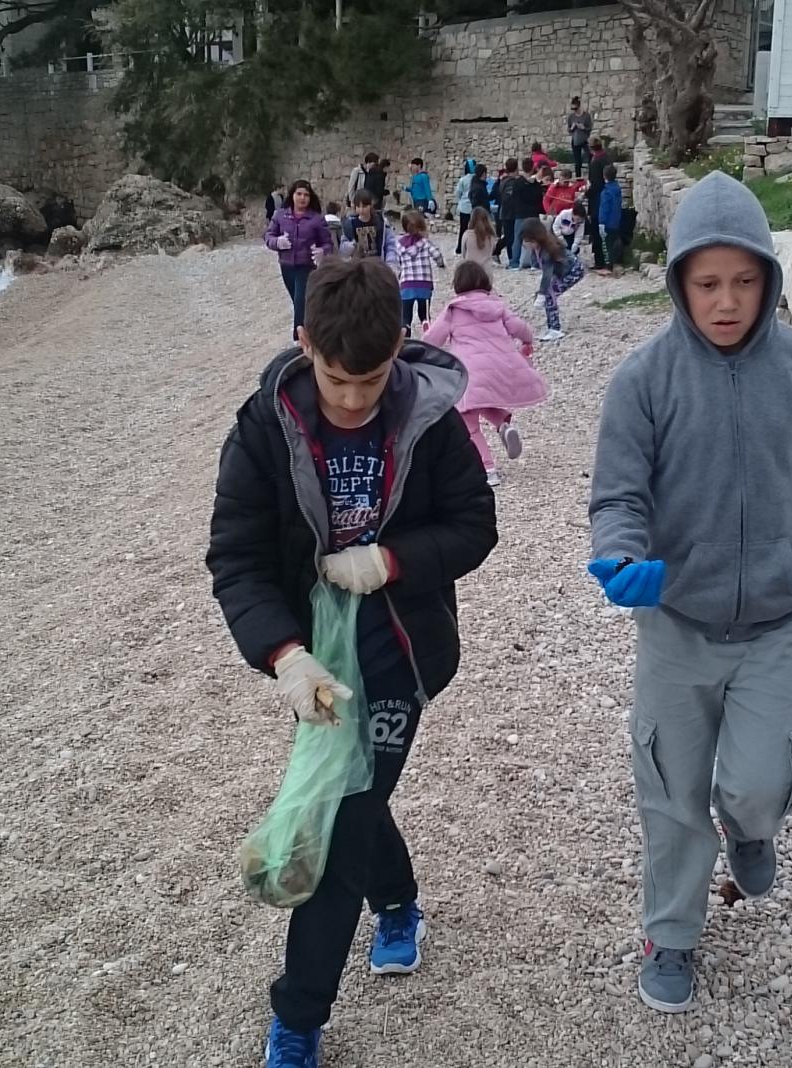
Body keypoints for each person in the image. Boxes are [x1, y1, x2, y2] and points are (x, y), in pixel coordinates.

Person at [207, 256, 499, 1068]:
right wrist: (284, 655)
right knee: (355, 789)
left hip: (401, 644)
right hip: (314, 647)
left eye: (370, 381)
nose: (353, 399)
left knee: (340, 817)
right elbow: (236, 557)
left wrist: (390, 561)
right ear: (304, 344)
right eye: (337, 380)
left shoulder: (429, 418)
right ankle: (398, 901)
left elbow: (475, 525)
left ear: (399, 348)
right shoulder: (264, 427)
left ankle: (298, 1019)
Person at [588, 172, 792, 1016]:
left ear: (770, 278)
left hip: (776, 625)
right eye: (707, 283)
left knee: (752, 786)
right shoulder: (644, 379)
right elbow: (617, 497)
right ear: (678, 283)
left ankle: (751, 824)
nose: (727, 301)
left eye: (745, 280)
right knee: (671, 793)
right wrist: (619, 554)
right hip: (676, 625)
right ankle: (671, 933)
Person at [423, 261, 548, 486]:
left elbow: (433, 340)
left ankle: (488, 468)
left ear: (458, 284)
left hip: (470, 372)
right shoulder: (497, 306)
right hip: (500, 366)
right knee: (484, 399)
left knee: (468, 421)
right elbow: (520, 328)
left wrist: (423, 344)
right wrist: (527, 340)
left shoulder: (454, 309)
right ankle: (503, 425)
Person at [265, 180, 336, 341]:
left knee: (300, 302)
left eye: (306, 195)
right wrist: (277, 242)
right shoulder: (280, 215)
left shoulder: (317, 219)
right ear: (292, 195)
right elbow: (268, 236)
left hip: (307, 267)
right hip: (286, 266)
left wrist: (322, 252)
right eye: (299, 194)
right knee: (300, 304)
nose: (302, 198)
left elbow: (328, 244)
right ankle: (315, 331)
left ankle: (299, 340)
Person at [520, 218, 584, 343]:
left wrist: (542, 293)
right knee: (549, 293)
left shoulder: (546, 250)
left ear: (536, 238)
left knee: (549, 295)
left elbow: (547, 274)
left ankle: (555, 329)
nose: (526, 244)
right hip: (565, 271)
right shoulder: (540, 247)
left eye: (529, 241)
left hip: (574, 270)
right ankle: (553, 327)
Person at [395, 210, 446, 336]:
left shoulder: (399, 244)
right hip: (424, 285)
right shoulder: (425, 242)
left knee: (406, 315)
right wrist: (441, 264)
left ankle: (406, 333)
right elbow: (437, 255)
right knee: (424, 312)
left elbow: (397, 262)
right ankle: (425, 325)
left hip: (407, 285)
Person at [342, 191, 397, 267]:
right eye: (358, 206)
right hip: (359, 266)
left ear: (371, 205)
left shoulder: (381, 222)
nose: (361, 210)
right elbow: (343, 249)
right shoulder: (350, 224)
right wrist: (350, 246)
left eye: (364, 206)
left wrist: (391, 263)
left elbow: (390, 244)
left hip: (378, 264)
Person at [512, 158, 548, 271]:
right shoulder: (536, 184)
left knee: (517, 238)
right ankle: (535, 263)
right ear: (533, 168)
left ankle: (514, 262)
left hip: (520, 213)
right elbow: (539, 199)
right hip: (533, 214)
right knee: (535, 239)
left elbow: (514, 198)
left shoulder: (517, 183)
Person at [585, 136, 610, 269]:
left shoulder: (595, 162)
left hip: (597, 201)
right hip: (606, 198)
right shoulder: (606, 158)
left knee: (596, 230)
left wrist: (585, 193)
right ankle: (608, 259)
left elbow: (595, 185)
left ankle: (599, 261)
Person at [595, 163, 625, 273]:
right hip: (616, 220)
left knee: (606, 245)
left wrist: (601, 222)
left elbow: (604, 208)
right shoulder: (617, 189)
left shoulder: (606, 192)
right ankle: (614, 263)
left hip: (607, 222)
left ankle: (608, 266)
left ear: (604, 176)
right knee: (612, 243)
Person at [492, 158, 522, 265]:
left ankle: (498, 252)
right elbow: (509, 198)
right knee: (510, 237)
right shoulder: (511, 183)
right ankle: (511, 259)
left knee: (510, 236)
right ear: (516, 168)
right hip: (509, 213)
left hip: (506, 212)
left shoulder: (504, 181)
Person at [454, 161, 486, 253]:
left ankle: (460, 247)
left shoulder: (463, 179)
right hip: (475, 207)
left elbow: (458, 193)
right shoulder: (476, 179)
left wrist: (461, 199)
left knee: (463, 228)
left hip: (464, 207)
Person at [567, 96, 594, 172]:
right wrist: (572, 128)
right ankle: (578, 177)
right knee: (577, 162)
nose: (575, 111)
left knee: (590, 156)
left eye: (576, 109)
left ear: (579, 106)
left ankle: (591, 174)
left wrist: (583, 127)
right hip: (575, 140)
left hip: (585, 140)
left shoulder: (586, 116)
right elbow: (569, 130)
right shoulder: (571, 117)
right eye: (573, 109)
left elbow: (590, 128)